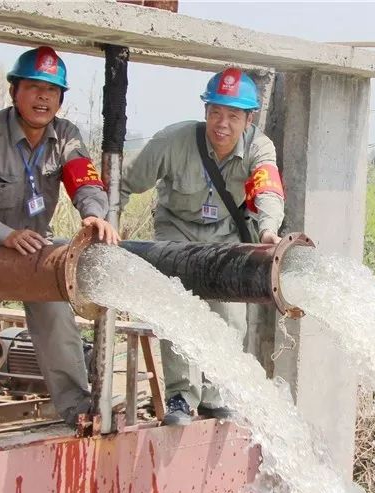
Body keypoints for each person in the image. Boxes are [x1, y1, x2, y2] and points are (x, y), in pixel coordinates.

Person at [0, 46, 119, 439]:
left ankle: (77, 413)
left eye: (52, 91)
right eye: (34, 88)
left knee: (58, 326)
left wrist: (93, 213)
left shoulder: (65, 136)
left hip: (35, 253)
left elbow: (84, 179)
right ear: (14, 92)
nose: (43, 98)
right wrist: (4, 234)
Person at [121, 67, 285, 424]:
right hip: (176, 231)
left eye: (232, 115)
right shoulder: (172, 142)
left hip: (226, 234)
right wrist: (106, 223)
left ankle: (216, 394)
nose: (221, 124)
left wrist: (270, 230)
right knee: (177, 310)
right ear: (205, 111)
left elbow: (268, 188)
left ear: (248, 118)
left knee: (230, 318)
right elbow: (125, 184)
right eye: (215, 112)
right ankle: (181, 396)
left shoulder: (260, 147)